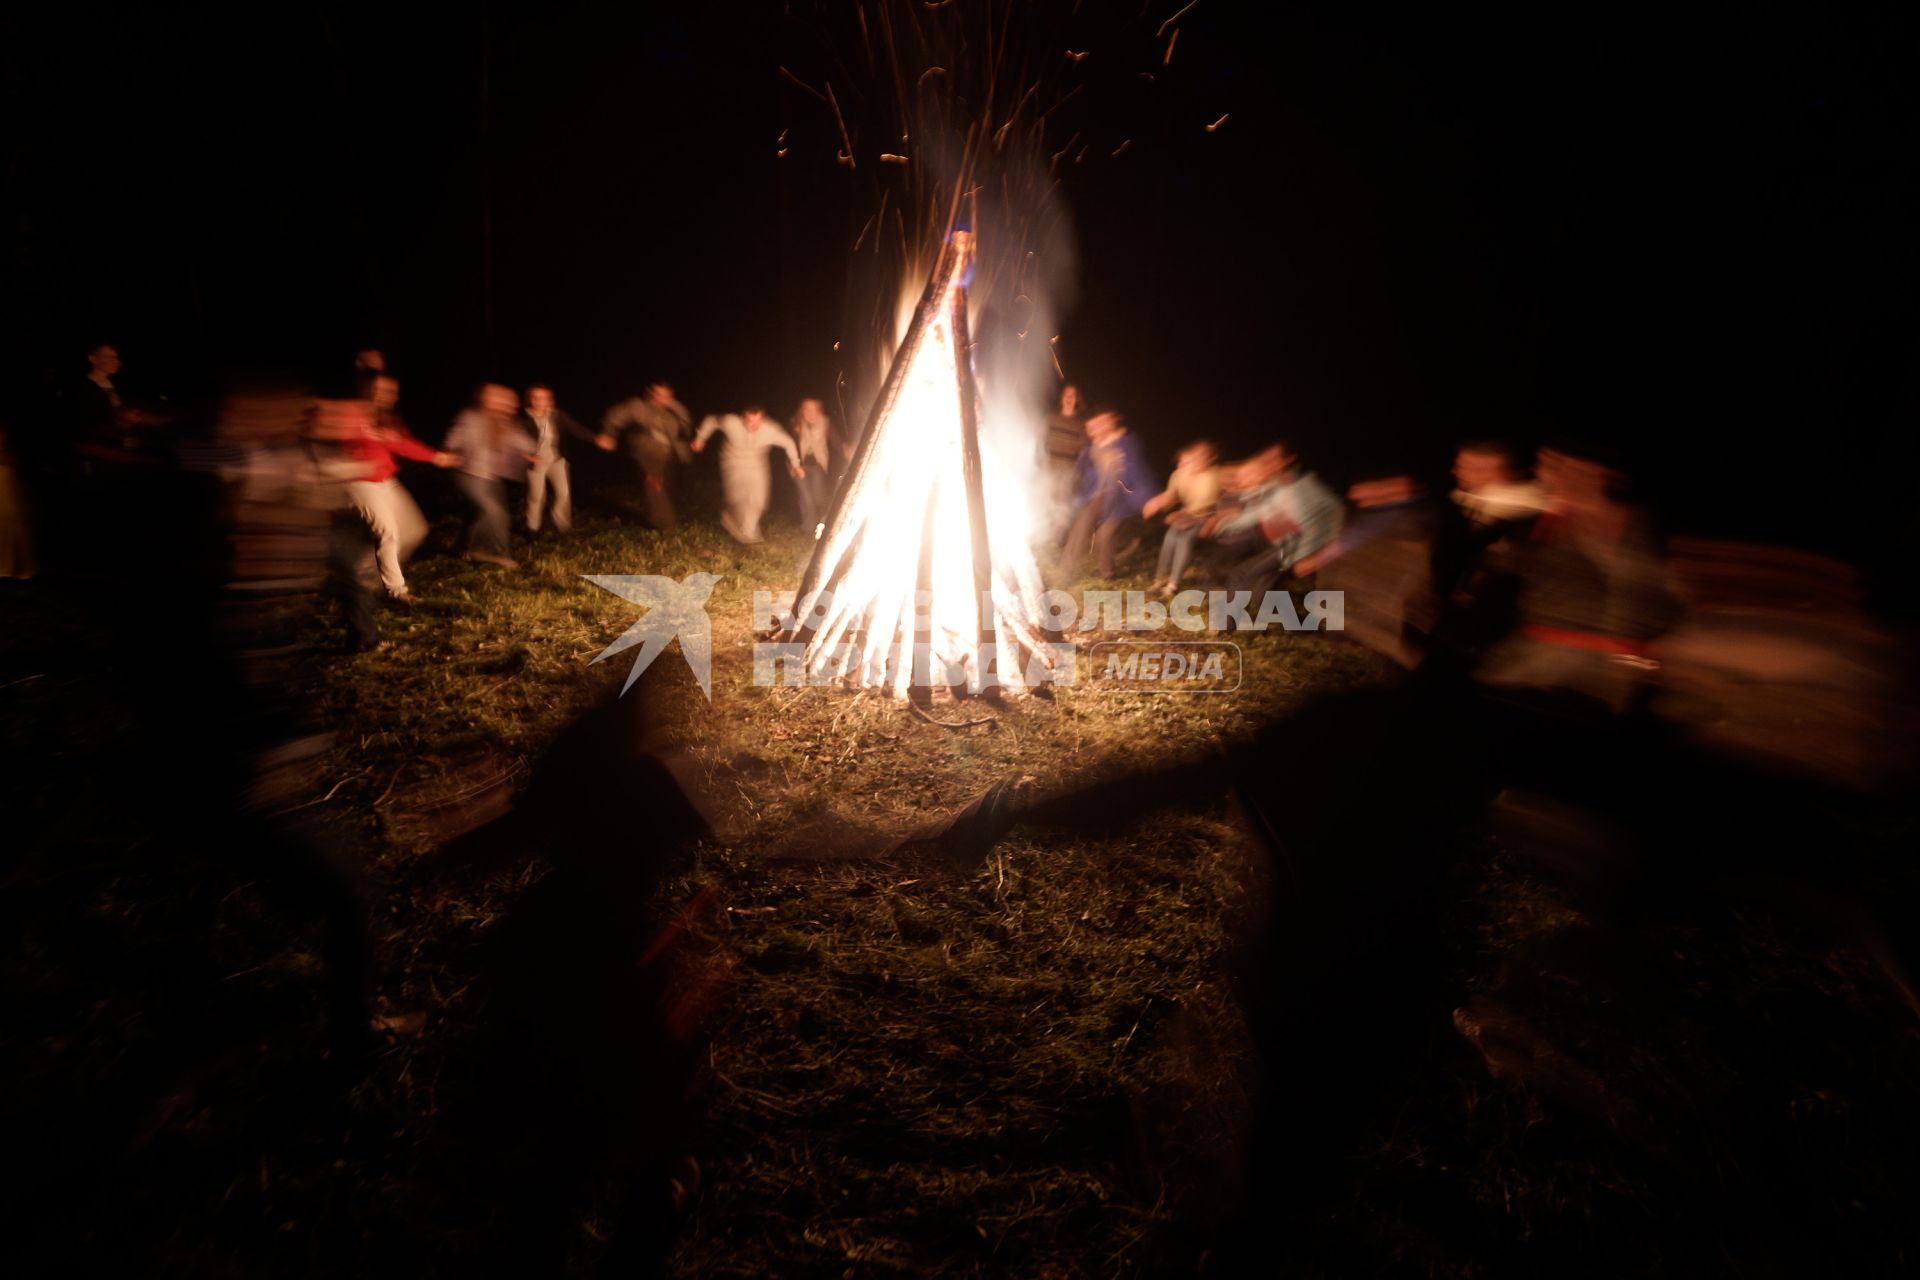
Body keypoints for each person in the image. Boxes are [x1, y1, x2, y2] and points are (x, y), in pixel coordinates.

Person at [342, 373, 458, 602]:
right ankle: (396, 590)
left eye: (392, 391)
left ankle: (363, 576)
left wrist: (436, 457)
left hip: (386, 481)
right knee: (388, 532)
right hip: (360, 482)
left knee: (414, 530)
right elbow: (337, 439)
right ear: (368, 389)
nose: (387, 396)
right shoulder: (352, 413)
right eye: (382, 390)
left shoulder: (387, 418)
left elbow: (402, 444)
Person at [1202, 443, 1345, 598]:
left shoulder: (1304, 485)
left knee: (1241, 575)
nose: (1268, 464)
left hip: (1290, 548)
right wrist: (1221, 525)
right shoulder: (1272, 486)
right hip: (1275, 544)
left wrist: (1309, 555)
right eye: (1266, 460)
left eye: (1274, 459)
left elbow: (1334, 509)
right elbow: (1254, 514)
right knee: (1259, 595)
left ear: (1288, 460)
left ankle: (1226, 621)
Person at [445, 384, 536, 568]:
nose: (509, 403)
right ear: (486, 399)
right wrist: (450, 451)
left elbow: (522, 441)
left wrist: (531, 451)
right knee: (496, 513)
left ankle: (460, 547)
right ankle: (490, 552)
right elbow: (455, 437)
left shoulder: (505, 422)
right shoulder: (471, 417)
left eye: (510, 400)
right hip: (467, 472)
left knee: (476, 512)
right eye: (501, 398)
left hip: (491, 475)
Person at [1063, 408, 1158, 580]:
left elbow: (1139, 472)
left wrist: (1146, 499)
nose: (1094, 430)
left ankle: (1108, 574)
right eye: (1090, 428)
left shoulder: (1127, 444)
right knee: (1080, 528)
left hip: (1119, 501)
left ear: (1112, 421)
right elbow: (1082, 471)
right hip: (1096, 496)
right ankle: (1066, 572)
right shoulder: (1092, 447)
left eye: (1099, 424)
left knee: (1103, 536)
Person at [691, 405, 802, 544]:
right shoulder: (731, 422)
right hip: (732, 462)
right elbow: (712, 420)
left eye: (759, 421)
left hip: (756, 464)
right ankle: (734, 520)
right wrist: (700, 438)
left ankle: (748, 529)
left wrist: (796, 464)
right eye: (750, 421)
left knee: (760, 500)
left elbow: (788, 442)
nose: (755, 425)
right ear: (742, 418)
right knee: (738, 497)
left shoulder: (770, 429)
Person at [601, 382, 693, 530]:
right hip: (647, 451)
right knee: (654, 483)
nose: (663, 398)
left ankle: (660, 518)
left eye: (667, 395)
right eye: (659, 394)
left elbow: (686, 427)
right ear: (650, 393)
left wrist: (675, 407)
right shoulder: (638, 406)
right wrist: (609, 433)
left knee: (667, 487)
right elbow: (615, 415)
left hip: (669, 455)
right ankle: (665, 524)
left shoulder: (673, 411)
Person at [1142, 439, 1222, 593]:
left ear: (1210, 458)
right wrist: (1157, 502)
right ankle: (1160, 579)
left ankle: (1173, 583)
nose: (1184, 465)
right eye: (1184, 461)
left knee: (1183, 540)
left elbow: (1206, 504)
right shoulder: (1179, 474)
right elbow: (1171, 495)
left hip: (1208, 518)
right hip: (1186, 517)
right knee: (1170, 538)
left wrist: (1179, 513)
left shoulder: (1214, 476)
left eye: (1198, 458)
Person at [521, 384, 595, 535]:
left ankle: (563, 525)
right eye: (536, 398)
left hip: (556, 460)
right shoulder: (523, 418)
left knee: (564, 493)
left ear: (550, 400)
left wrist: (596, 438)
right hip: (535, 462)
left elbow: (576, 429)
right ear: (530, 400)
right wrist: (526, 455)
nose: (540, 401)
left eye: (544, 398)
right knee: (537, 496)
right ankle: (532, 528)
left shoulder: (558, 415)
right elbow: (514, 441)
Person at [790, 397, 847, 534]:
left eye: (814, 409)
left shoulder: (825, 423)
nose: (810, 413)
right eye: (807, 409)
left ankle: (822, 522)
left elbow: (836, 441)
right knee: (807, 498)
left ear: (819, 411)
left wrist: (847, 450)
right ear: (802, 411)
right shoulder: (795, 424)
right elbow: (790, 445)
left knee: (818, 497)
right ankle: (807, 528)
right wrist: (796, 465)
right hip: (798, 465)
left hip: (817, 466)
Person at [1043, 384, 1085, 531]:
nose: (1069, 398)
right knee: (1046, 500)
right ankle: (1044, 533)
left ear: (1076, 400)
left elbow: (1083, 451)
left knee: (1062, 504)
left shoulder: (1080, 425)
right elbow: (1041, 441)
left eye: (1072, 396)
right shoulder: (1051, 419)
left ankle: (1057, 536)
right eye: (1066, 395)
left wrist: (1079, 473)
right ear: (1061, 399)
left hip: (1068, 469)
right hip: (1050, 466)